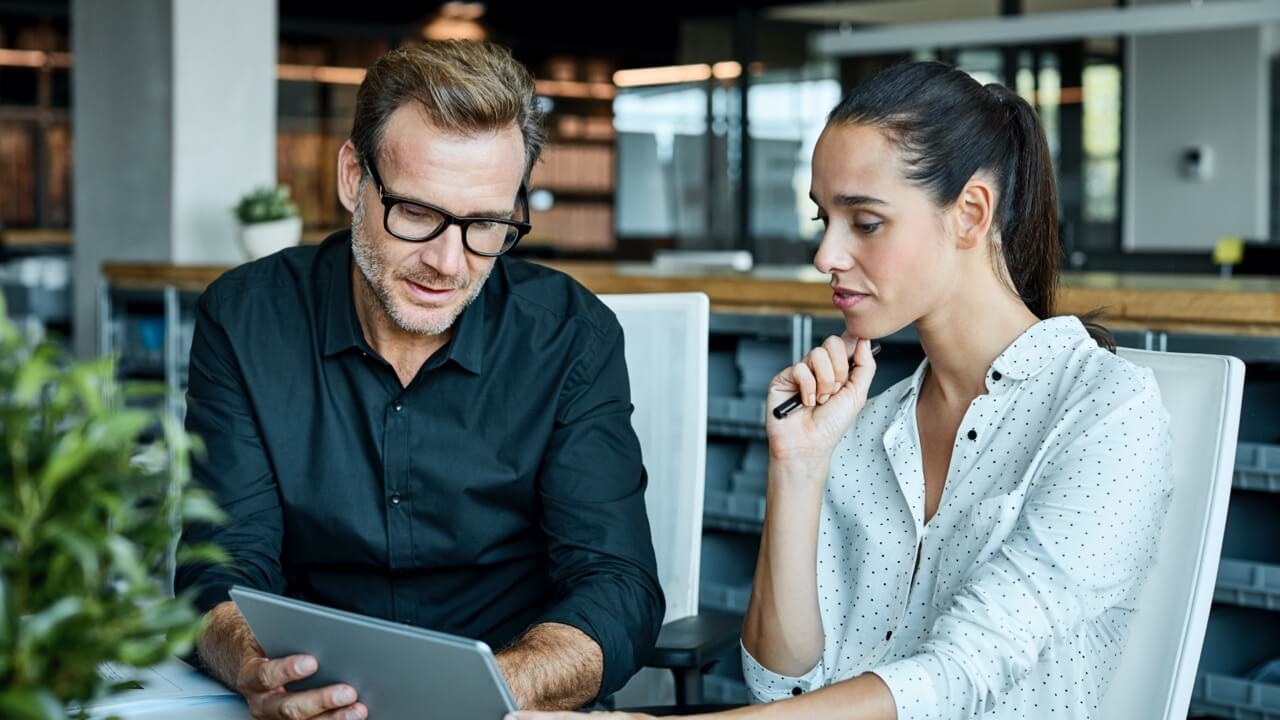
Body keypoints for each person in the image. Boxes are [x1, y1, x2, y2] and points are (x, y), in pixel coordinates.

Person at [515, 61, 1172, 720]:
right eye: (823, 217)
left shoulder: (1107, 412)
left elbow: (960, 674)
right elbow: (780, 686)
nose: (825, 254)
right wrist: (796, 469)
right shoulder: (863, 423)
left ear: (970, 214)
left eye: (864, 221)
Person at [175, 40, 664, 720]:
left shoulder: (570, 336)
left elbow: (616, 584)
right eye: (416, 213)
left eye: (486, 224)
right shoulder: (246, 319)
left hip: (509, 704)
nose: (447, 261)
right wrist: (257, 667)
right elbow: (219, 566)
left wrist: (502, 687)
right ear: (354, 177)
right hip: (315, 703)